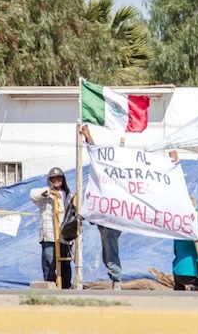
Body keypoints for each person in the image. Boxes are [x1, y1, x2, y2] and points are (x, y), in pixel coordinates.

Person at [80, 124, 123, 290]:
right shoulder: (104, 173)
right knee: (107, 252)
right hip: (103, 219)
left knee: (110, 248)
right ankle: (114, 277)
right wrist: (88, 136)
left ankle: (117, 279)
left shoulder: (120, 180)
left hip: (113, 219)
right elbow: (96, 157)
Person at [30, 167, 73, 289]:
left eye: (59, 178)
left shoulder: (68, 195)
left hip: (64, 235)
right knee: (49, 261)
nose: (57, 180)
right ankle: (51, 286)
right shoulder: (45, 195)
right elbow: (33, 194)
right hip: (49, 234)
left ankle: (65, 287)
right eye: (54, 179)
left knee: (65, 263)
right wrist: (50, 192)